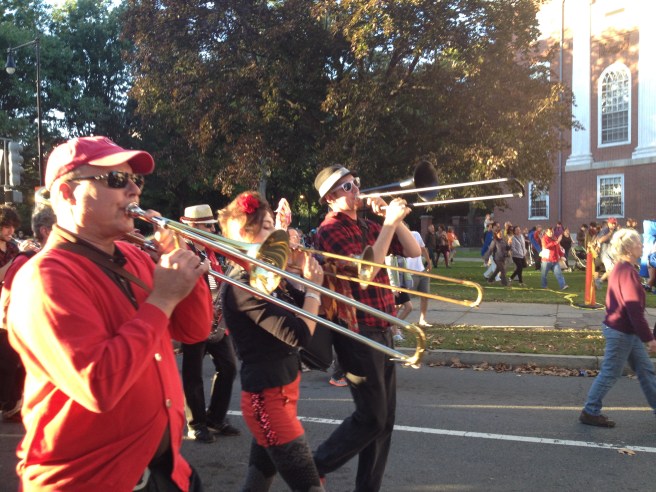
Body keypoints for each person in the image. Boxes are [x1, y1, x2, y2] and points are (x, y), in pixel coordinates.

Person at [7, 136, 212, 491]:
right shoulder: (43, 278)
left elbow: (194, 331)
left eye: (136, 180)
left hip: (165, 469)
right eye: (116, 180)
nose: (133, 189)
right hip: (90, 480)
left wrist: (186, 274)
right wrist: (162, 300)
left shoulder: (132, 256)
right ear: (67, 195)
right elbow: (98, 385)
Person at [312, 164, 420, 491]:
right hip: (356, 332)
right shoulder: (328, 230)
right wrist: (387, 224)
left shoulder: (369, 225)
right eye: (347, 188)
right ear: (330, 198)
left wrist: (393, 219)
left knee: (385, 421)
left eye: (355, 183)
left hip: (381, 326)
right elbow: (365, 273)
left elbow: (414, 251)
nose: (356, 190)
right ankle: (314, 466)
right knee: (371, 417)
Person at [218, 191, 326, 491]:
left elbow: (304, 308)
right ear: (242, 233)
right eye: (267, 228)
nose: (276, 236)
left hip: (282, 391)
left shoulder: (262, 276)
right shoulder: (242, 286)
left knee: (258, 481)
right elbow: (299, 334)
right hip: (268, 401)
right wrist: (314, 289)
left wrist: (302, 278)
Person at [579, 229, 656, 427]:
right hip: (622, 332)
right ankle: (590, 411)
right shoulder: (627, 272)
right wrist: (649, 338)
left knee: (646, 370)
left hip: (625, 331)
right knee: (611, 372)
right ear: (629, 248)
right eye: (639, 243)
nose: (642, 246)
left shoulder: (622, 268)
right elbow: (633, 310)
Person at [179, 204, 240, 443]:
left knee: (229, 368)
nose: (211, 230)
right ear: (191, 226)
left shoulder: (210, 251)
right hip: (193, 318)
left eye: (211, 225)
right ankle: (196, 423)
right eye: (206, 226)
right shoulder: (182, 249)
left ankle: (215, 418)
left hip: (215, 320)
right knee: (193, 375)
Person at [0, 206, 50, 423]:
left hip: (14, 306)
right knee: (5, 364)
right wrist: (20, 257)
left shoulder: (11, 246)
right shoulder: (14, 252)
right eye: (6, 226)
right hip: (4, 307)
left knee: (15, 363)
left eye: (12, 226)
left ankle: (13, 404)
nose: (11, 231)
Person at [406, 230, 433, 326]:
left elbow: (423, 249)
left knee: (425, 296)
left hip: (421, 270)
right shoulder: (396, 238)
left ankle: (422, 320)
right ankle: (393, 322)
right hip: (409, 272)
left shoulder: (415, 234)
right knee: (405, 300)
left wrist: (429, 262)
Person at [540, 226, 569, 290]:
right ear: (546, 232)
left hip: (555, 260)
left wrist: (561, 255)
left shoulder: (554, 238)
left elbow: (557, 248)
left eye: (552, 231)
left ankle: (563, 285)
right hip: (546, 260)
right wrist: (557, 241)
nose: (551, 233)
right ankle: (544, 286)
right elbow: (546, 246)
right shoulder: (544, 239)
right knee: (544, 275)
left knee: (559, 273)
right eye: (550, 232)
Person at [596, 217, 619, 288]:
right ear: (608, 224)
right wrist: (610, 233)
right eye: (612, 223)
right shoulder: (604, 230)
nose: (613, 225)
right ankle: (611, 287)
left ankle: (599, 281)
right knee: (610, 270)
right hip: (605, 253)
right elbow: (600, 240)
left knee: (614, 270)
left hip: (613, 253)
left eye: (615, 223)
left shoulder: (617, 230)